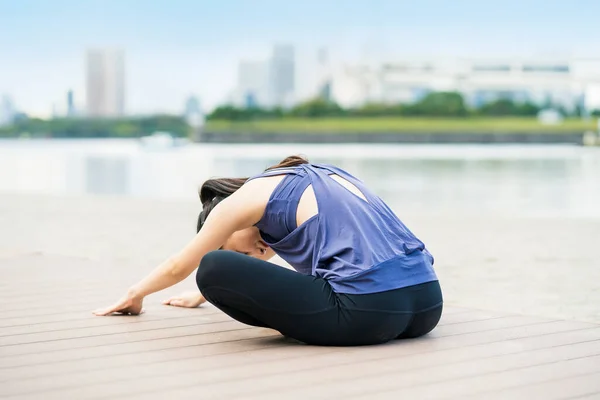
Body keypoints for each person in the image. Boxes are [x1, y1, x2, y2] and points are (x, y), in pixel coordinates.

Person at [94, 155, 443, 346]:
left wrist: (135, 295)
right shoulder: (323, 175)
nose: (257, 254)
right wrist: (200, 296)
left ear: (230, 224)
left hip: (368, 316)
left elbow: (179, 265)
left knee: (212, 266)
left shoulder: (238, 202)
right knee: (216, 274)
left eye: (241, 252)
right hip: (427, 305)